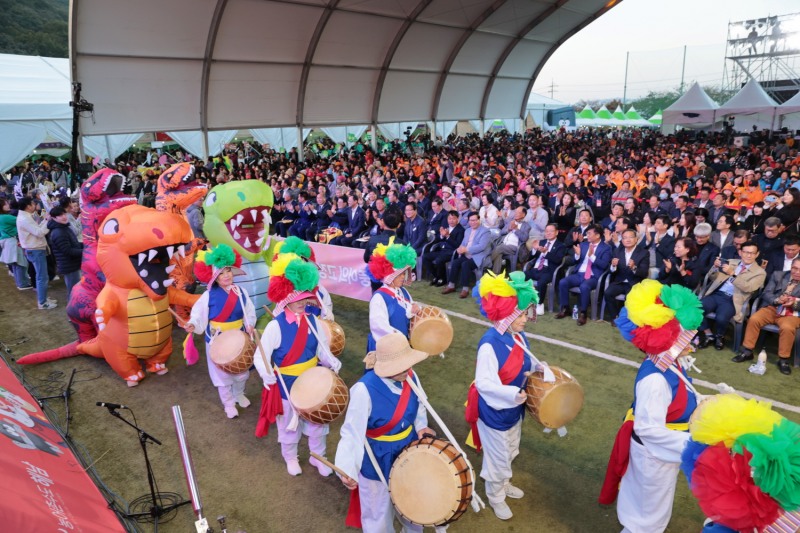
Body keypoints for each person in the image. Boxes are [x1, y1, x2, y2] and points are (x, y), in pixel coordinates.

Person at [599, 280, 703, 533]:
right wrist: (693, 445)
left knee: (653, 506)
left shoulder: (671, 364)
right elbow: (649, 430)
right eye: (684, 336)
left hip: (662, 452)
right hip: (653, 454)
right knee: (646, 514)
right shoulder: (655, 379)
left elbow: (682, 394)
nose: (691, 342)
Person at [465, 271, 548, 520]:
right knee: (498, 458)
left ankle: (503, 484)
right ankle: (495, 495)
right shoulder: (489, 344)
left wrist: (538, 368)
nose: (525, 319)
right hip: (494, 411)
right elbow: (484, 383)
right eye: (521, 314)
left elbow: (524, 365)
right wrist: (513, 393)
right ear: (508, 314)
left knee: (511, 450)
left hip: (514, 408)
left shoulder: (519, 336)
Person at [334, 333, 435, 533]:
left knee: (413, 503)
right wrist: (347, 468)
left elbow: (419, 406)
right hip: (376, 456)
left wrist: (421, 426)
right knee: (377, 512)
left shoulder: (411, 376)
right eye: (402, 366)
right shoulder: (364, 390)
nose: (408, 369)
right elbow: (352, 433)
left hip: (408, 450)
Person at [254, 255, 342, 476]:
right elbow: (260, 355)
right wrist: (266, 374)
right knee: (288, 426)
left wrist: (331, 359)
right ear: (285, 299)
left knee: (317, 424)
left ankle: (318, 457)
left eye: (304, 297)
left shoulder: (314, 320)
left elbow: (322, 348)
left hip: (313, 379)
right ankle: (291, 458)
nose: (302, 302)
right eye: (297, 298)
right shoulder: (275, 326)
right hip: (287, 383)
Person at [185, 245, 256, 418]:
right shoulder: (208, 295)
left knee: (242, 371)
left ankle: (239, 394)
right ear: (215, 277)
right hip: (217, 340)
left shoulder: (242, 292)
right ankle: (228, 403)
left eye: (229, 271)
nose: (227, 275)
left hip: (239, 337)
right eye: (222, 273)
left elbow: (250, 311)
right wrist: (193, 324)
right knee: (221, 375)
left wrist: (250, 324)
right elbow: (198, 313)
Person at [732, 257, 800, 375]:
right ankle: (747, 351)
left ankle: (783, 360)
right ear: (791, 267)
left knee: (787, 328)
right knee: (754, 319)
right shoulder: (778, 275)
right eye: (794, 268)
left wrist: (794, 303)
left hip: (791, 313)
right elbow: (766, 293)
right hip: (772, 308)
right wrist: (777, 300)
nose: (797, 272)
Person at [696, 241, 766, 350]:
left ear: (757, 254)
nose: (748, 255)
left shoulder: (760, 272)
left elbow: (749, 288)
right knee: (696, 308)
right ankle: (708, 334)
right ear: (740, 252)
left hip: (734, 299)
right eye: (746, 252)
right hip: (717, 294)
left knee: (721, 317)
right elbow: (713, 277)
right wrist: (714, 268)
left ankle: (720, 336)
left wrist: (732, 274)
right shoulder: (731, 262)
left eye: (752, 253)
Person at [365, 240, 420, 352]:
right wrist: (401, 340)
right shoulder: (379, 298)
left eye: (403, 273)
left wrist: (415, 309)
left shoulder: (403, 291)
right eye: (399, 274)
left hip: (402, 346)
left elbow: (409, 308)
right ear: (389, 276)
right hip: (386, 349)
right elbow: (379, 327)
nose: (402, 277)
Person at [556, 224, 611, 325]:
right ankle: (565, 308)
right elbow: (574, 261)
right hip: (579, 274)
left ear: (598, 235)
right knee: (563, 282)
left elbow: (603, 265)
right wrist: (577, 255)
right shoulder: (583, 245)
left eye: (589, 233)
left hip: (594, 276)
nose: (587, 235)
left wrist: (592, 256)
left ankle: (583, 312)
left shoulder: (606, 248)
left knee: (584, 286)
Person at [16, 197, 55, 309]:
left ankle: (43, 299)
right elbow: (39, 233)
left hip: (35, 249)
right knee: (42, 277)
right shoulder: (24, 218)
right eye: (33, 204)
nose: (35, 205)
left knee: (42, 276)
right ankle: (42, 302)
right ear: (28, 206)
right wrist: (47, 221)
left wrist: (45, 220)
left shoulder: (25, 216)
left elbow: (36, 229)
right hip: (35, 250)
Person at [442, 212, 491, 298]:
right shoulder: (468, 230)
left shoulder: (485, 231)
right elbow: (463, 243)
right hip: (466, 254)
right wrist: (460, 248)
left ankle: (465, 289)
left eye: (474, 220)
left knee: (465, 264)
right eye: (470, 220)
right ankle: (451, 285)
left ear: (479, 220)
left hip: (478, 256)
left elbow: (482, 246)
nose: (472, 222)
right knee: (455, 262)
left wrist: (466, 249)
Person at [604, 229, 649, 321]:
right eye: (625, 238)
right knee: (608, 293)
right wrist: (613, 266)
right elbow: (611, 271)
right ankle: (614, 317)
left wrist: (634, 268)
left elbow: (644, 273)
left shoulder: (643, 253)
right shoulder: (617, 251)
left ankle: (629, 320)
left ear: (636, 239)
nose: (628, 240)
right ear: (622, 240)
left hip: (634, 283)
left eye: (631, 237)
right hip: (619, 282)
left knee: (630, 297)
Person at [523, 223, 566, 314]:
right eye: (546, 231)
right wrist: (534, 249)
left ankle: (540, 304)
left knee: (542, 282)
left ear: (557, 232)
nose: (548, 233)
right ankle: (522, 301)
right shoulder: (541, 242)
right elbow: (530, 258)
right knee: (520, 276)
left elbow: (557, 260)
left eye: (551, 231)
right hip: (535, 269)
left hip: (548, 271)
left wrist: (546, 252)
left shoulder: (561, 246)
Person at [46, 206, 83, 298]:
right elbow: (67, 250)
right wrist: (85, 251)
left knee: (75, 288)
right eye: (59, 215)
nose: (63, 217)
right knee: (73, 290)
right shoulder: (58, 232)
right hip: (69, 265)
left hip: (72, 263)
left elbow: (73, 244)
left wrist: (84, 246)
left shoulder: (64, 227)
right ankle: (72, 310)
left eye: (64, 214)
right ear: (54, 218)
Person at [423, 210, 464, 287]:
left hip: (452, 252)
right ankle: (436, 276)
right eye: (449, 219)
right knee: (425, 257)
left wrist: (447, 236)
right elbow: (438, 239)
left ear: (457, 219)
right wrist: (441, 236)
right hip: (442, 250)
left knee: (439, 260)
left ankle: (443, 278)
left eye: (453, 218)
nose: (451, 221)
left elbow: (457, 245)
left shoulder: (461, 230)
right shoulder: (446, 227)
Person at [0, 198, 31, 290]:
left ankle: (21, 283)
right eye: (5, 204)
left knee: (16, 264)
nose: (8, 204)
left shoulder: (2, 217)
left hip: (7, 241)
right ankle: (23, 283)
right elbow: (22, 221)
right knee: (21, 263)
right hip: (12, 241)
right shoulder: (6, 217)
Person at [491, 206, 529, 273]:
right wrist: (508, 229)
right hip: (504, 243)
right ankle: (495, 276)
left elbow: (524, 238)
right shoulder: (511, 222)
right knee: (498, 254)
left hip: (514, 246)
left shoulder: (526, 226)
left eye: (518, 212)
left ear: (523, 214)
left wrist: (516, 229)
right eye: (515, 212)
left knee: (499, 248)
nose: (516, 214)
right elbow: (501, 232)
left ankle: (487, 263)